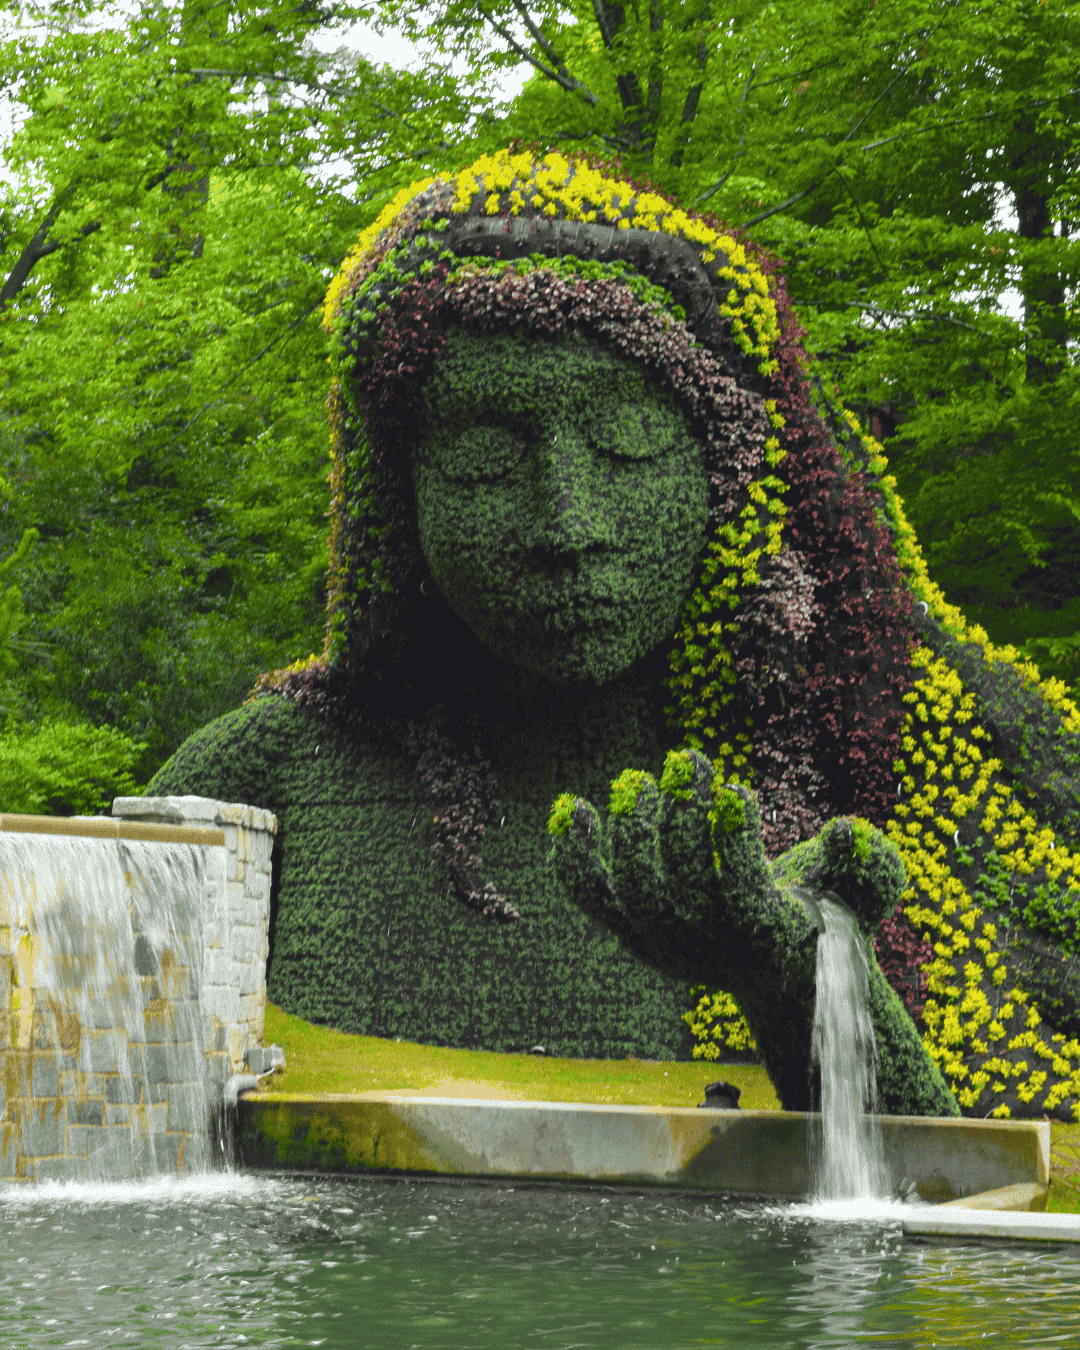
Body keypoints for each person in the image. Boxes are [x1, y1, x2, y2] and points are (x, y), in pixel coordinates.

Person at [149, 151, 1080, 1118]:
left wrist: (783, 964)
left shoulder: (873, 764)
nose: (566, 524)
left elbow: (961, 1198)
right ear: (402, 494)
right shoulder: (279, 769)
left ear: (726, 478)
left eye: (628, 444)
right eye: (479, 459)